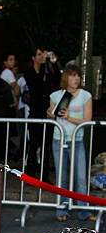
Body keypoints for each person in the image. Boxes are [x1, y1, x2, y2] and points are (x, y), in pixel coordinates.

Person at [47, 64, 96, 221]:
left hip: (77, 140)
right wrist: (50, 114)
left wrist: (69, 117)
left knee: (81, 177)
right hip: (58, 140)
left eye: (78, 76)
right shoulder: (55, 95)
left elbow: (87, 120)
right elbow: (52, 115)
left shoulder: (85, 95)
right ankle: (61, 210)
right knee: (61, 176)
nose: (76, 79)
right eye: (72, 75)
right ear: (66, 78)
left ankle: (83, 210)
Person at [25, 47, 60, 180]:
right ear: (33, 58)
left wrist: (53, 63)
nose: (41, 57)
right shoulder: (29, 72)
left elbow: (57, 79)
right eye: (38, 55)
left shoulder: (47, 70)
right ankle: (30, 173)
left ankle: (44, 175)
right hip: (35, 111)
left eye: (42, 54)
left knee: (46, 144)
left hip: (47, 112)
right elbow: (37, 85)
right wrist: (43, 65)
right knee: (34, 144)